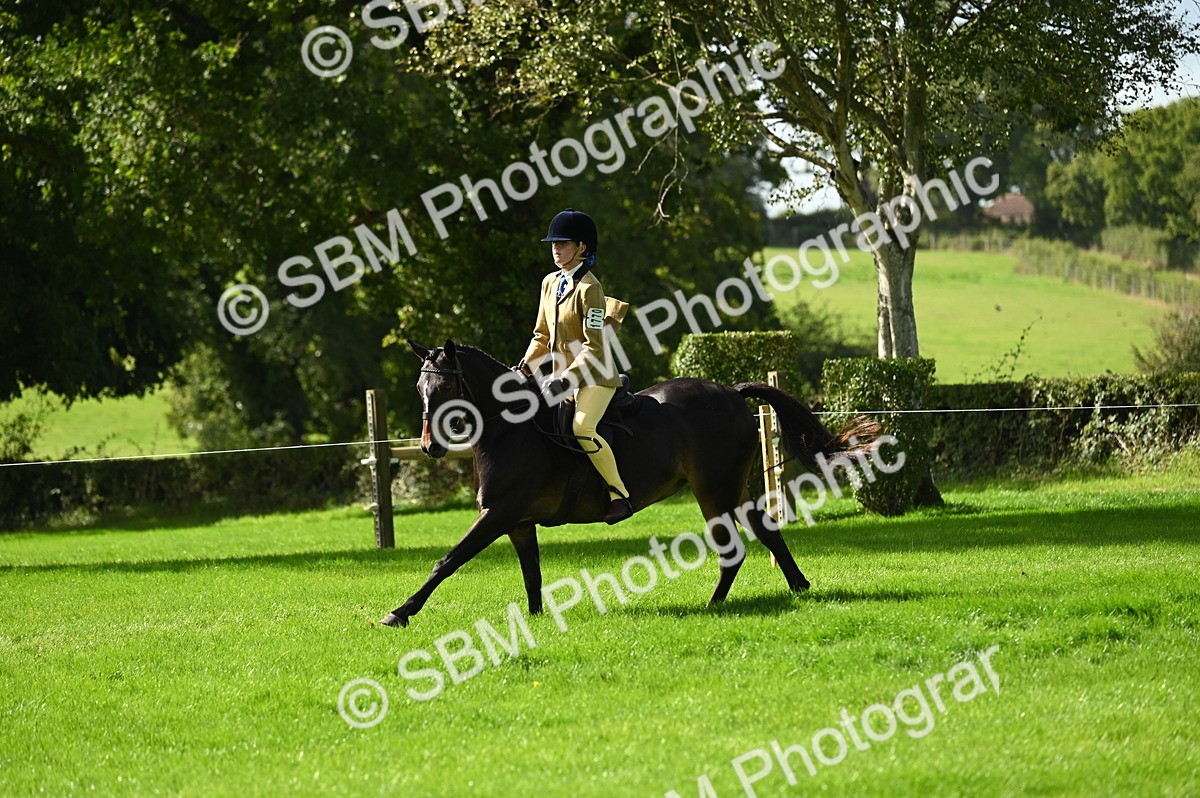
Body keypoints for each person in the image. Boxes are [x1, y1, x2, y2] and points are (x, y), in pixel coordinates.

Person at [514, 208, 634, 525]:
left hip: (594, 375)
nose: (556, 248)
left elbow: (594, 346)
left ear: (582, 248)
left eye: (563, 243)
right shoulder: (549, 283)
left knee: (582, 428)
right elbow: (541, 335)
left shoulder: (590, 288)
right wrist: (524, 369)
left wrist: (566, 380)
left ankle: (618, 494)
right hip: (558, 375)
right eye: (553, 243)